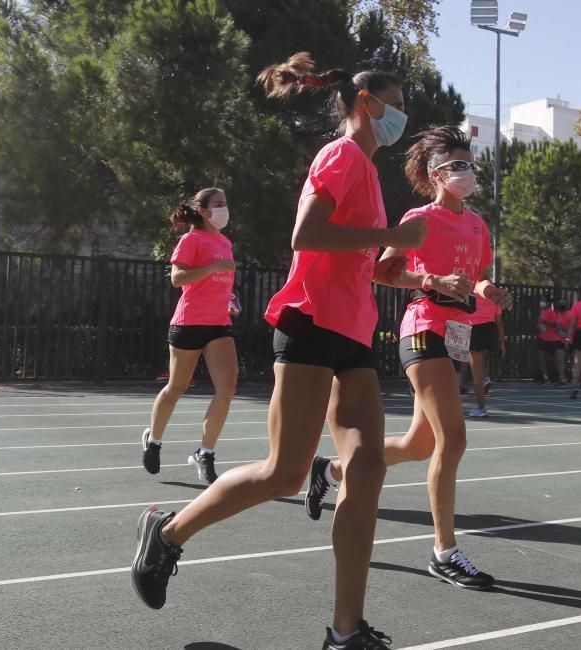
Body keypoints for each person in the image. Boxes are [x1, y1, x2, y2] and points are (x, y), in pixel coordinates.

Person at [130, 52, 426, 650]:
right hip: (311, 323)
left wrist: (407, 273)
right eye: (394, 106)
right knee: (285, 472)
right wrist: (390, 236)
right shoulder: (340, 156)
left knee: (365, 469)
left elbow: (355, 260)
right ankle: (167, 532)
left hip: (353, 333)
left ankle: (346, 633)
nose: (401, 117)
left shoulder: (369, 173)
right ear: (365, 105)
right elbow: (306, 236)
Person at [306, 126, 512, 591]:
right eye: (457, 165)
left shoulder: (477, 225)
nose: (467, 173)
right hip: (422, 330)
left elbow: (476, 275)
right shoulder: (421, 217)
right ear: (436, 174)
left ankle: (331, 470)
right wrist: (432, 280)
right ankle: (445, 551)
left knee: (422, 444)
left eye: (470, 164)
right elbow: (382, 270)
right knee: (452, 440)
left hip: (456, 332)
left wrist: (488, 290)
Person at [140, 188, 238, 485]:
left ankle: (205, 453)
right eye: (218, 204)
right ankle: (154, 440)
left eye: (225, 203)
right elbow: (178, 279)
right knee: (176, 387)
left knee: (227, 388)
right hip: (189, 323)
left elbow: (220, 283)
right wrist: (213, 268)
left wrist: (231, 298)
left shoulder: (225, 242)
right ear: (204, 211)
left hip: (218, 324)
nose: (224, 209)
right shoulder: (191, 240)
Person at [458, 295, 505, 417]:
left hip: (474, 329)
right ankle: (485, 379)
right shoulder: (492, 293)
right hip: (490, 330)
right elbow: (499, 321)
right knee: (483, 361)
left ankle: (481, 408)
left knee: (475, 373)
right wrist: (503, 344)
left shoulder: (468, 292)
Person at [536, 300, 571, 385]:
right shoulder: (556, 314)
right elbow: (556, 327)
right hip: (557, 340)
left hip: (566, 339)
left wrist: (563, 329)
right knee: (557, 360)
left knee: (562, 360)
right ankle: (559, 378)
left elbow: (570, 327)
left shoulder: (569, 314)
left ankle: (570, 377)